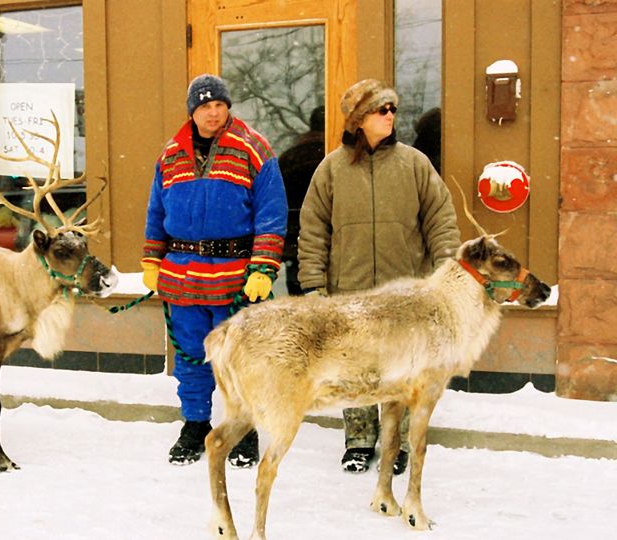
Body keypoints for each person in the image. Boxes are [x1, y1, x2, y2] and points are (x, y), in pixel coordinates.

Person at [297, 79, 460, 475]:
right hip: (348, 290)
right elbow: (313, 230)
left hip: (404, 291)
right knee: (354, 370)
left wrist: (446, 274)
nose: (390, 116)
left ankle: (397, 441)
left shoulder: (415, 164)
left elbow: (441, 221)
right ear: (358, 120)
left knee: (400, 370)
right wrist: (314, 285)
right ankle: (357, 441)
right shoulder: (331, 169)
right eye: (381, 109)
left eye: (392, 109)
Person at [141, 74, 288, 467]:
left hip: (234, 275)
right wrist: (152, 259)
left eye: (219, 105)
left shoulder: (253, 149)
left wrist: (263, 268)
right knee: (190, 356)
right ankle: (194, 423)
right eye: (205, 106)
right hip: (183, 277)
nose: (214, 112)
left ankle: (243, 426)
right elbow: (156, 212)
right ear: (193, 110)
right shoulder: (170, 155)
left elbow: (272, 216)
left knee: (239, 358)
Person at [278, 105, 325, 295]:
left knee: (297, 306)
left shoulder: (290, 157)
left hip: (293, 243)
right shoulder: (332, 157)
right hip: (324, 242)